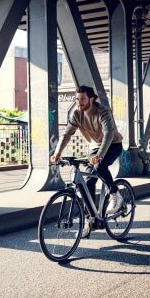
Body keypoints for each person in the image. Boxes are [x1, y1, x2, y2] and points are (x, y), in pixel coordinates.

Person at [50, 85, 123, 237]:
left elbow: (109, 133)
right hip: (95, 147)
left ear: (91, 98)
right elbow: (67, 134)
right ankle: (92, 219)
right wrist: (57, 153)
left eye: (82, 99)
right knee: (88, 182)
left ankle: (115, 194)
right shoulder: (76, 113)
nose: (79, 102)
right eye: (77, 99)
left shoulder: (102, 111)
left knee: (100, 165)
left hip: (113, 144)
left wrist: (100, 154)